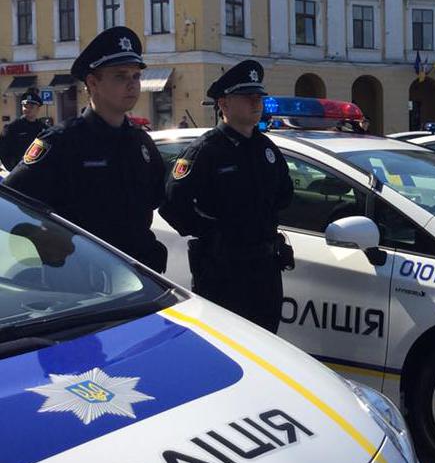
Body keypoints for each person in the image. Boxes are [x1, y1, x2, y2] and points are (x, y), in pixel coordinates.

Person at [4, 27, 167, 272]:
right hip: (84, 281)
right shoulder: (62, 142)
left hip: (139, 281)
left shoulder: (141, 142)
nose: (132, 84)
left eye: (135, 76)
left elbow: (156, 199)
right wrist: (44, 240)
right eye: (121, 76)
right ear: (93, 82)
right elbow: (10, 201)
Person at [160, 60, 294, 332]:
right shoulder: (207, 151)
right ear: (223, 104)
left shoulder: (266, 149)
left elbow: (284, 194)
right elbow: (173, 204)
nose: (256, 103)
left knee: (267, 345)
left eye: (259, 97)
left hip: (265, 269)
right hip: (223, 270)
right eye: (247, 97)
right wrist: (214, 232)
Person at [0, 90, 49, 171]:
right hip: (19, 170)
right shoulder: (12, 127)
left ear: (38, 109)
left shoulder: (44, 129)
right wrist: (13, 169)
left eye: (31, 107)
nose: (27, 109)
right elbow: (3, 151)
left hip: (39, 171)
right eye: (25, 106)